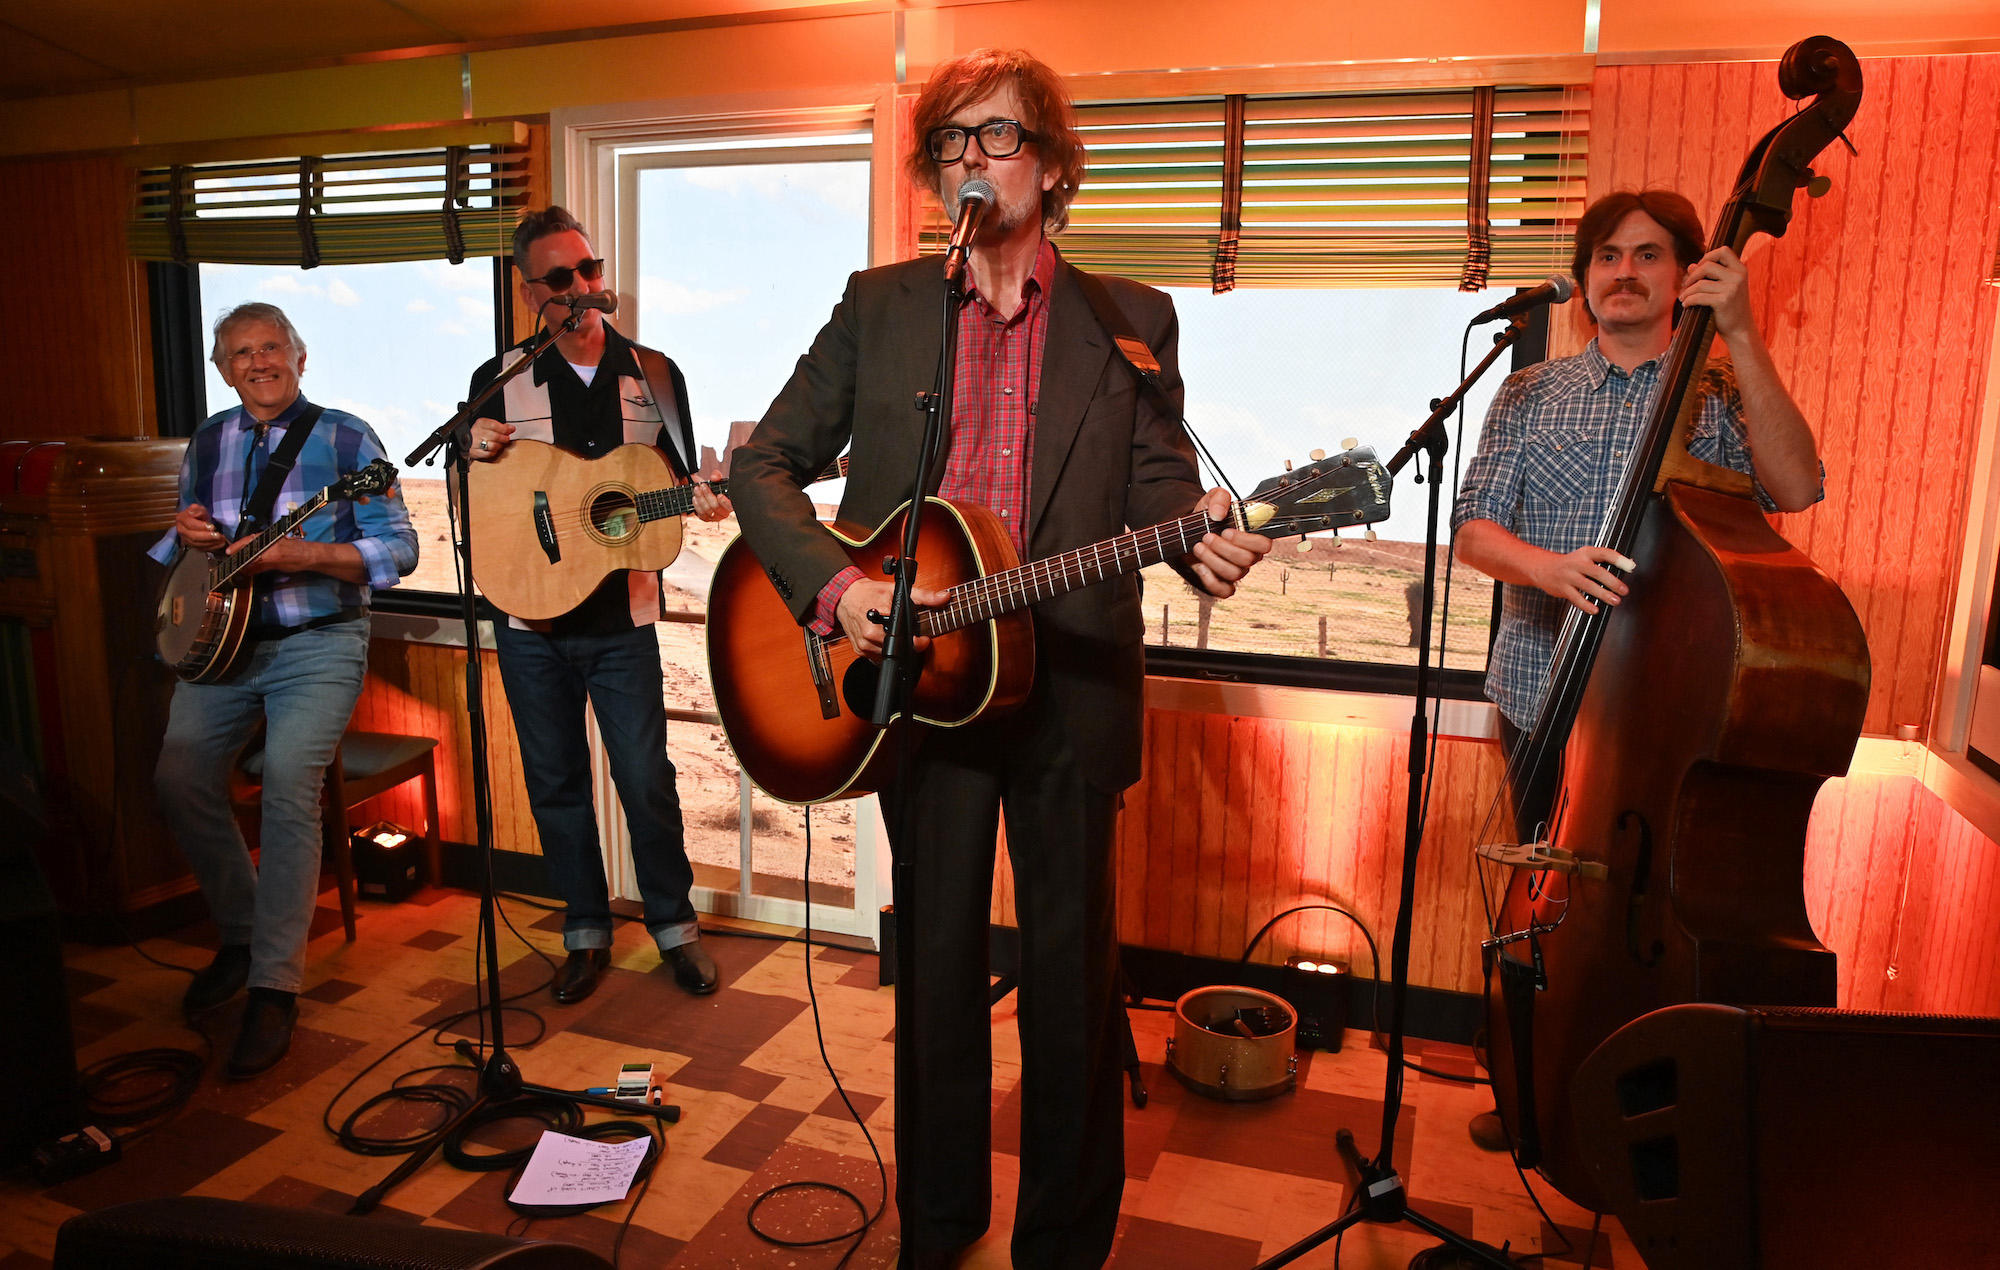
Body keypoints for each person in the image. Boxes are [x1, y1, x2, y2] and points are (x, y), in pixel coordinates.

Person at [729, 48, 1271, 1269]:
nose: (975, 159)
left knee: (1072, 985)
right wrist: (839, 585)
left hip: (1070, 686)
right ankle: (938, 1226)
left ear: (1053, 162)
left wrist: (1202, 550)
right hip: (920, 689)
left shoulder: (1129, 319)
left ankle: (1062, 1244)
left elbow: (1157, 491)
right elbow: (761, 467)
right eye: (954, 142)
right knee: (931, 976)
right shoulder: (881, 306)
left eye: (1001, 136)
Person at [1452, 187, 1825, 841]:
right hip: (1538, 690)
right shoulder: (1527, 392)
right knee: (1538, 888)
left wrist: (1740, 332)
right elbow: (1473, 531)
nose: (1624, 271)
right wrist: (1548, 568)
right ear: (1586, 278)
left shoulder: (1726, 388)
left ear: (1686, 276)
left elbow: (1796, 488)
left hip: (1675, 703)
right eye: (1607, 256)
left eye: (1648, 255)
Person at [464, 206, 730, 1004]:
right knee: (555, 780)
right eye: (561, 278)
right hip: (530, 621)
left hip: (622, 623)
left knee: (645, 776)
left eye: (591, 270)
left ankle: (675, 929)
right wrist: (471, 450)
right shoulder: (500, 379)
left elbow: (678, 478)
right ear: (529, 293)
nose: (584, 287)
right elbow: (476, 493)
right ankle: (584, 931)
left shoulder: (652, 372)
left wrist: (707, 497)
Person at [152, 302, 418, 1079]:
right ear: (223, 369)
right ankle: (240, 934)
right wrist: (187, 533)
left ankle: (274, 984)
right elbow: (180, 543)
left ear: (301, 358)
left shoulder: (345, 438)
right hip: (219, 645)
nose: (258, 361)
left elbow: (397, 549)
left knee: (288, 791)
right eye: (240, 353)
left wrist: (303, 552)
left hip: (319, 642)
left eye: (272, 347)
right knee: (178, 776)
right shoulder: (207, 439)